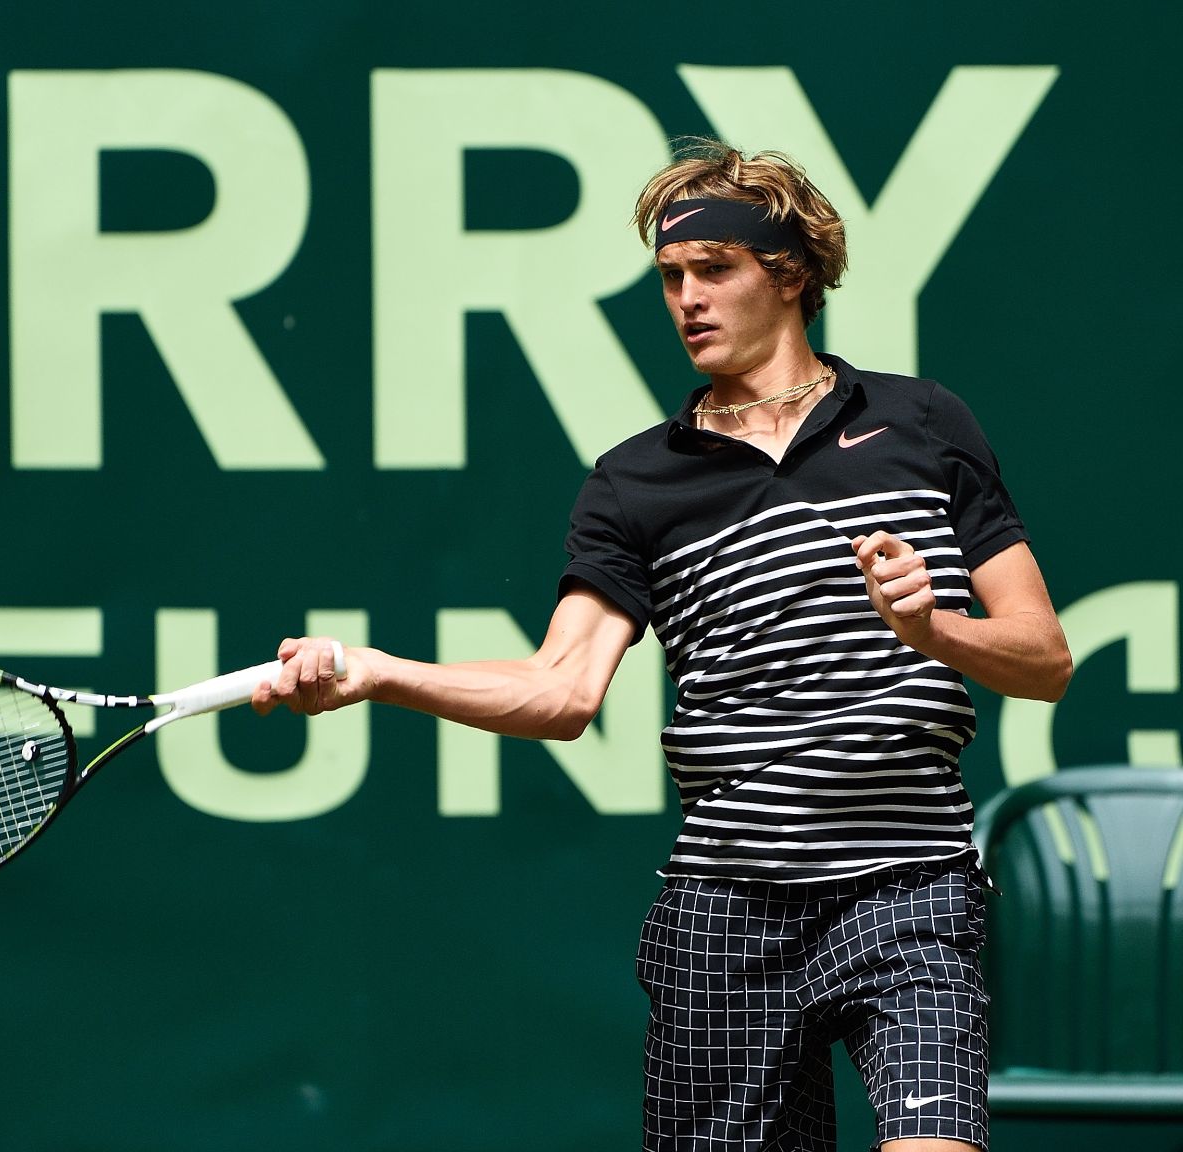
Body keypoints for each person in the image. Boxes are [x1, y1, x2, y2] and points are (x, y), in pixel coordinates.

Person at [252, 138, 1072, 1152]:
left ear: (792, 273)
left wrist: (930, 628)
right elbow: (563, 689)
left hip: (909, 891)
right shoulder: (634, 482)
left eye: (713, 270)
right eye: (671, 278)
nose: (687, 298)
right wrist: (379, 674)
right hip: (723, 918)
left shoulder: (924, 422)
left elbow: (1045, 659)